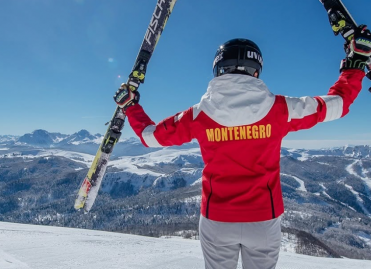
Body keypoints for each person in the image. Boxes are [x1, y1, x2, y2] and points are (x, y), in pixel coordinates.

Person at [113, 26, 371, 269]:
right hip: (263, 219)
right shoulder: (281, 109)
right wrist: (355, 65)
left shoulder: (197, 116)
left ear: (218, 70)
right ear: (256, 70)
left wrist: (130, 106)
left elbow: (150, 137)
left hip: (217, 219)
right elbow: (337, 104)